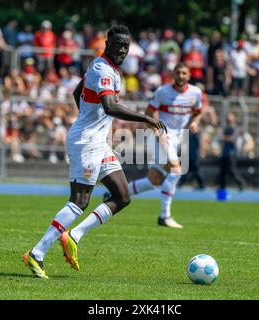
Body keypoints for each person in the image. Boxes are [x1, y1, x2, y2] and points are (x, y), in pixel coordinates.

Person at [23, 25, 167, 279]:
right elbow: (110, 106)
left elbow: (77, 92)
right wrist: (146, 119)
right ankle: (37, 253)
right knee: (79, 201)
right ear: (107, 43)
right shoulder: (102, 68)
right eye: (117, 44)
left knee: (122, 195)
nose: (122, 49)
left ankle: (74, 236)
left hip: (96, 142)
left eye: (126, 46)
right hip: (87, 143)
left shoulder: (109, 69)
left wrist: (89, 119)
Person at [112, 63, 203, 229]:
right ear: (173, 74)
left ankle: (114, 194)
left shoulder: (195, 93)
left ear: (189, 76)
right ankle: (164, 216)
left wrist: (195, 122)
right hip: (163, 136)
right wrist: (158, 132)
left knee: (152, 180)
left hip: (178, 138)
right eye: (178, 72)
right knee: (176, 170)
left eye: (184, 73)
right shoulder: (163, 92)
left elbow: (198, 112)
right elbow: (149, 114)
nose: (181, 75)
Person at [218, 112, 246, 193]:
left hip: (232, 154)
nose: (229, 119)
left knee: (232, 171)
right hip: (224, 153)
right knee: (222, 172)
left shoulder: (236, 129)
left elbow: (232, 139)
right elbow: (221, 138)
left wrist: (223, 137)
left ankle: (241, 183)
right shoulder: (225, 129)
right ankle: (222, 187)